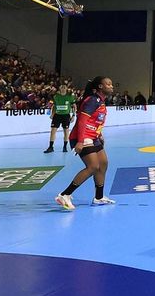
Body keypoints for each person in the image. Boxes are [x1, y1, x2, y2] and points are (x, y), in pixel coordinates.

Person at [54, 77, 114, 210]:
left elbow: (95, 121)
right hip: (82, 137)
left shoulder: (100, 101)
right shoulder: (92, 100)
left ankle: (99, 198)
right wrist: (80, 141)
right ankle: (65, 194)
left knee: (103, 163)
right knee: (93, 166)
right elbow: (82, 121)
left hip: (93, 136)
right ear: (100, 87)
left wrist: (99, 134)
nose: (111, 86)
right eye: (108, 84)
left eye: (111, 84)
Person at [44, 80, 75, 154]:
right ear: (60, 88)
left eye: (64, 87)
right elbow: (54, 106)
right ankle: (51, 147)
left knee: (66, 131)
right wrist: (52, 114)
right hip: (57, 115)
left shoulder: (70, 96)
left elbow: (74, 106)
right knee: (53, 131)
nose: (63, 88)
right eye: (62, 87)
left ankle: (65, 146)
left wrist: (73, 115)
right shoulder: (56, 96)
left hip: (66, 116)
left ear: (66, 88)